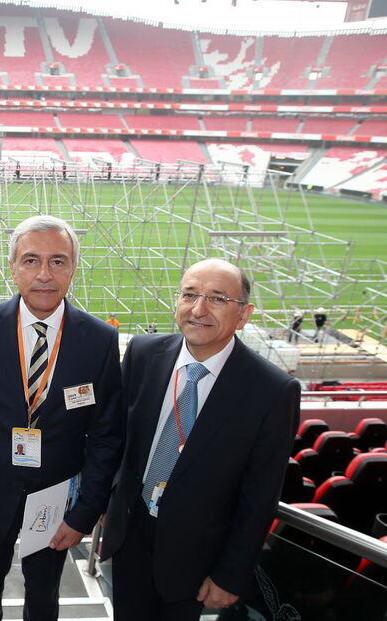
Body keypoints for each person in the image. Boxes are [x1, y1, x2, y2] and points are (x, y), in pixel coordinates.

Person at [0, 215, 123, 620]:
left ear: (74, 267)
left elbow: (107, 435)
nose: (44, 274)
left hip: (57, 499)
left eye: (58, 261)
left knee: (43, 599)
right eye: (31, 260)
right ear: (13, 267)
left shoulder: (100, 340)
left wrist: (85, 511)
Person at [101, 258, 300, 621]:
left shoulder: (272, 390)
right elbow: (119, 442)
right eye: (189, 295)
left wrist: (231, 573)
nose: (199, 309)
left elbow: (260, 495)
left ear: (244, 314)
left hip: (196, 557)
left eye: (218, 299)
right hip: (130, 536)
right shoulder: (143, 354)